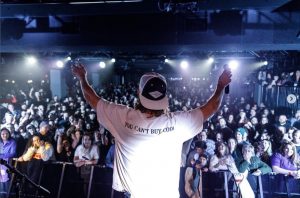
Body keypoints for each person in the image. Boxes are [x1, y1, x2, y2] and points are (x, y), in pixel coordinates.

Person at [72, 63, 231, 198]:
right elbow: (211, 108)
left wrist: (82, 78)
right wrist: (220, 87)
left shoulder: (122, 117)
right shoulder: (177, 123)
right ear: (164, 97)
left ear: (139, 94)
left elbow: (92, 98)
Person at [0, 128, 17, 197]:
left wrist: (1, 155)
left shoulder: (13, 142)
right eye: (3, 134)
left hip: (7, 164)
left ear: (9, 134)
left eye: (6, 133)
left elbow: (13, 153)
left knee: (6, 181)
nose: (5, 135)